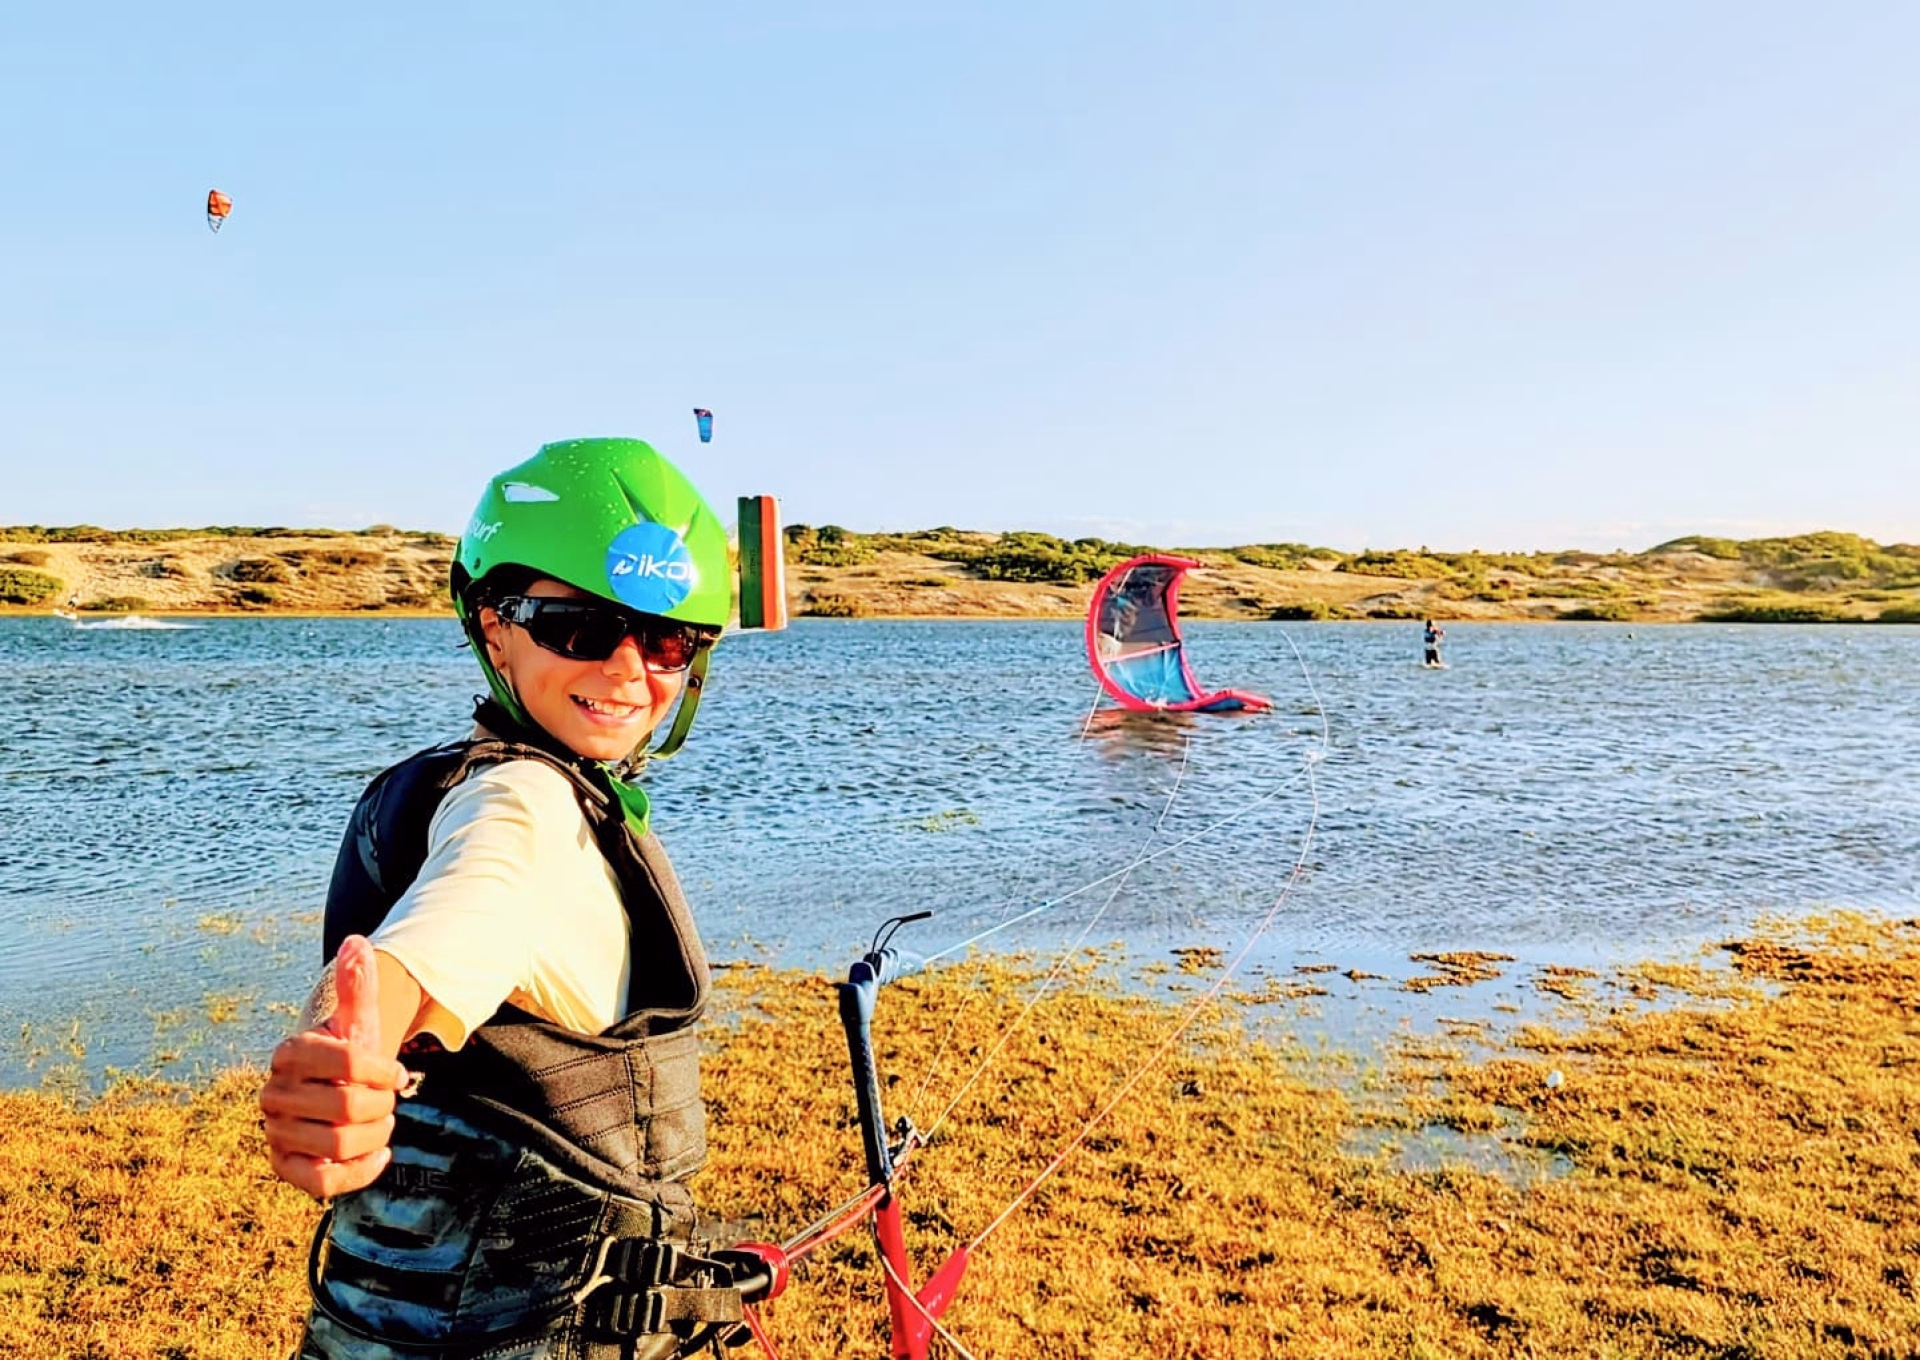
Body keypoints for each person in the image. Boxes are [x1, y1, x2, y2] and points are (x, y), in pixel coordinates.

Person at [259, 437, 757, 1359]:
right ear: (494, 627)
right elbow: (449, 927)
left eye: (665, 641)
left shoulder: (450, 782)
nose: (628, 670)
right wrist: (339, 1058)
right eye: (580, 628)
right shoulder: (520, 805)